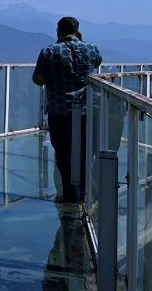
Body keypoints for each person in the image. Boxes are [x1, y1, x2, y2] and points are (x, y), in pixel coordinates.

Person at [32, 17, 102, 204]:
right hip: (87, 110)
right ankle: (84, 191)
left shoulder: (49, 52)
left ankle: (69, 193)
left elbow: (37, 79)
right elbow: (96, 63)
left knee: (63, 153)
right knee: (85, 152)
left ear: (58, 30)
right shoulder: (91, 48)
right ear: (77, 30)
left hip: (59, 109)